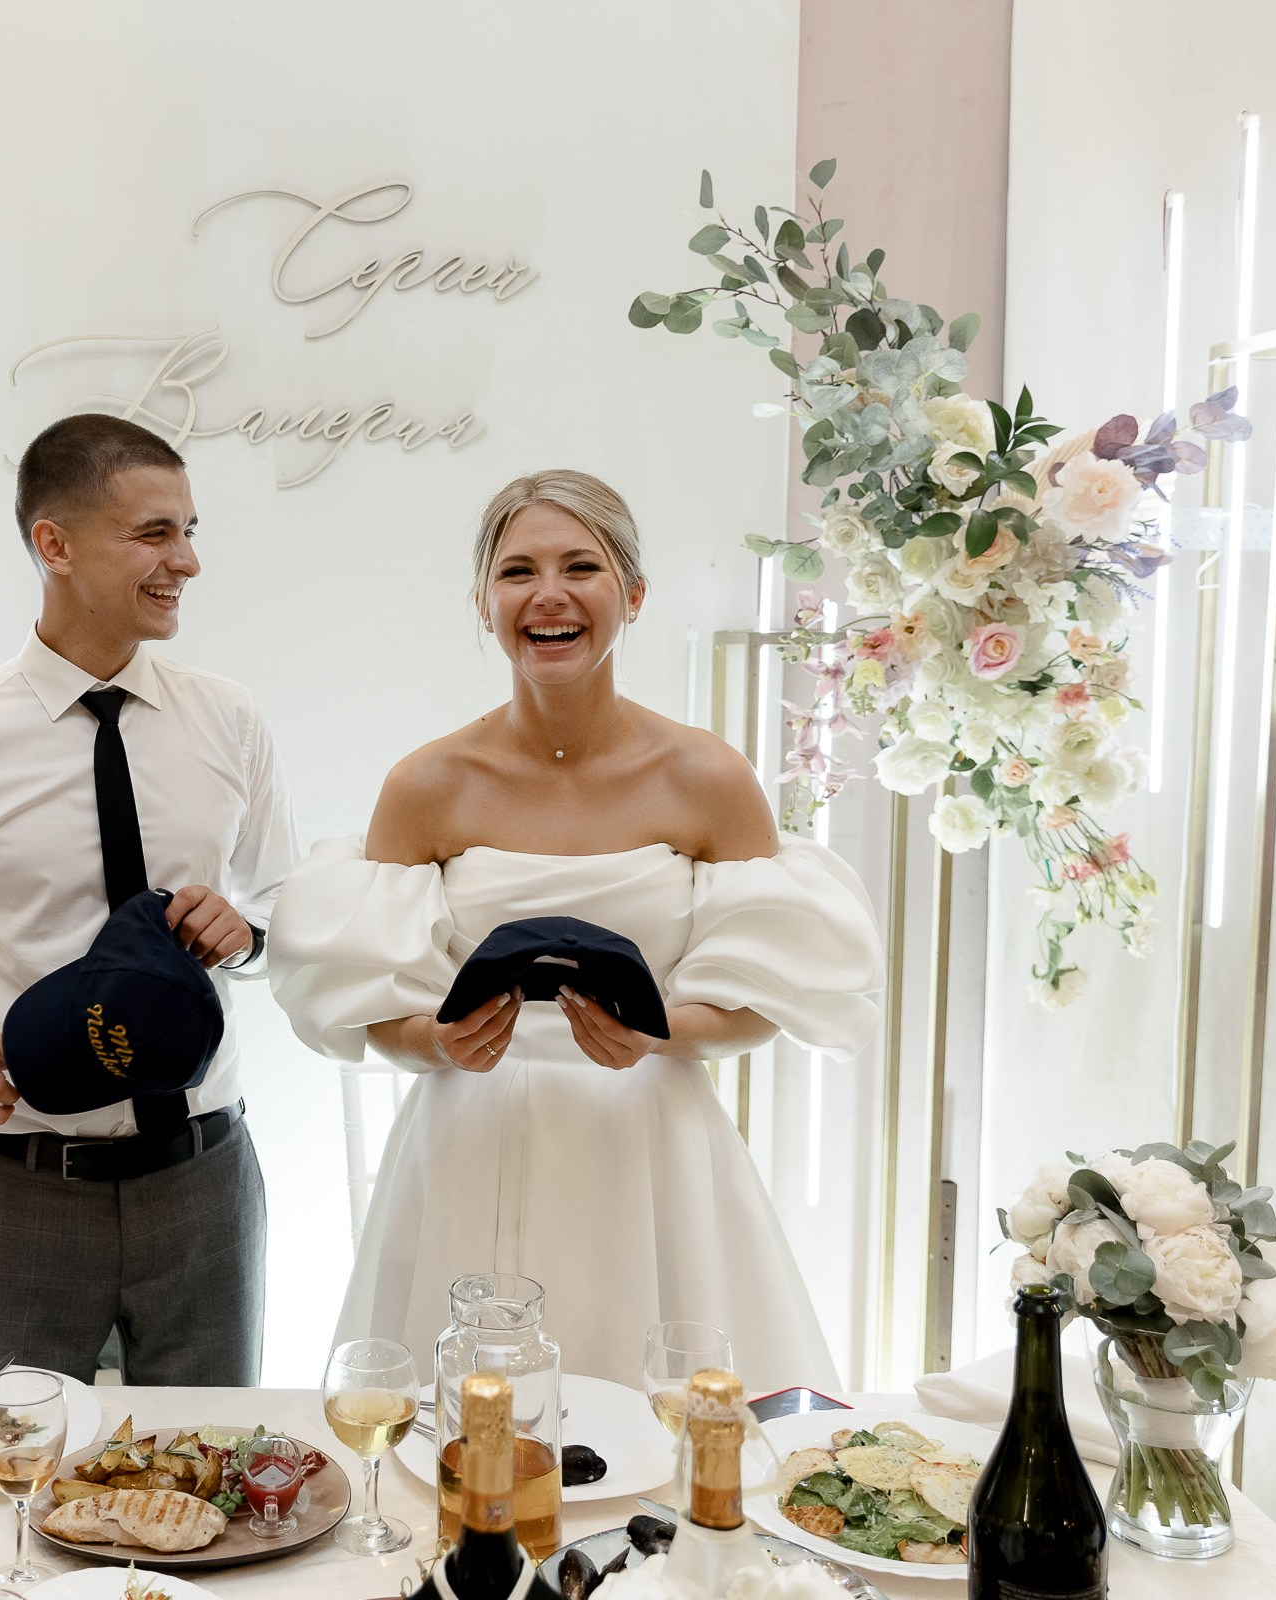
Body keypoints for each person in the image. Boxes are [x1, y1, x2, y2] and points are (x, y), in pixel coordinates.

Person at [268, 470, 883, 1390]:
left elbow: (768, 1001)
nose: (547, 595)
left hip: (651, 1149)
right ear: (486, 604)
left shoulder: (707, 777)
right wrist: (434, 1042)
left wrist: (662, 1032)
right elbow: (372, 1012)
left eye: (580, 566)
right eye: (517, 572)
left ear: (631, 595)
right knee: (464, 1459)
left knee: (673, 1442)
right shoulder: (425, 784)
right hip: (468, 1145)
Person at [0, 413, 298, 1384]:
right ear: (55, 545)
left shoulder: (231, 718)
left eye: (191, 530)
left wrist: (251, 933)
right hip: (16, 1189)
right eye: (156, 533)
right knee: (5, 1495)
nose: (187, 561)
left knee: (210, 1490)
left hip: (204, 1181)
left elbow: (292, 904)